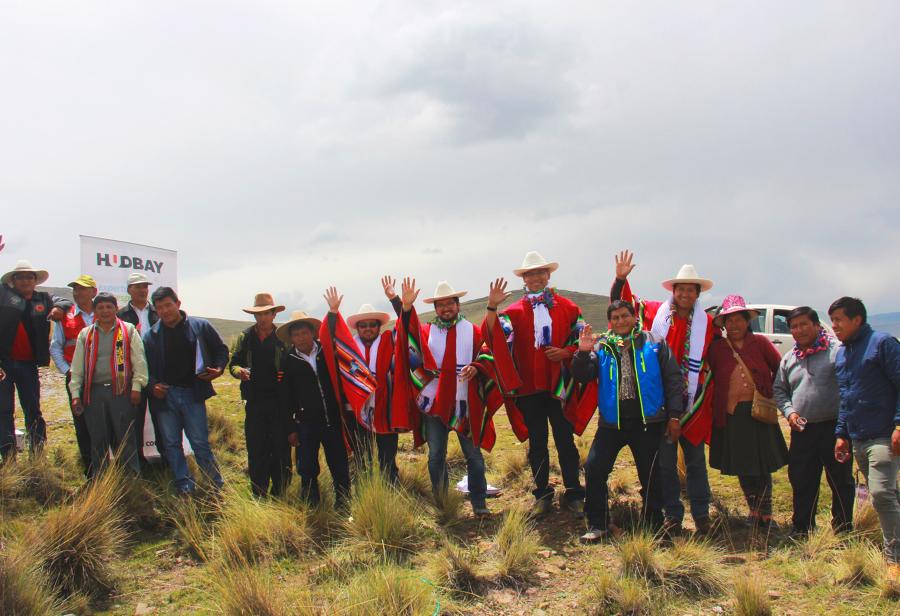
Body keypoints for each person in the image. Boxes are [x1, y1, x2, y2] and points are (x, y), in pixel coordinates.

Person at [610, 251, 716, 534]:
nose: (684, 294)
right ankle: (673, 515)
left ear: (696, 293)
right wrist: (620, 279)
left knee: (695, 461)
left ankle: (702, 514)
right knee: (666, 464)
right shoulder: (656, 313)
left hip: (692, 403)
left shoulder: (708, 325)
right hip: (660, 402)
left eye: (690, 290)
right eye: (680, 289)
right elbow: (625, 306)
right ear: (674, 291)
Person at [394, 278, 509, 516]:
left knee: (473, 455)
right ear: (435, 309)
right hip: (435, 403)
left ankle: (479, 501)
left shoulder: (472, 330)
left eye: (450, 304)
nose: (446, 308)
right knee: (436, 455)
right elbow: (408, 333)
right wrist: (404, 306)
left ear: (458, 305)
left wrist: (477, 366)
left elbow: (488, 352)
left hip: (464, 402)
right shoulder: (427, 331)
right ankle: (442, 501)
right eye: (441, 305)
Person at [484, 251, 585, 515]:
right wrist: (492, 308)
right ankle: (542, 494)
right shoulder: (513, 313)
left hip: (559, 387)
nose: (536, 277)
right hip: (529, 389)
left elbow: (582, 337)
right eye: (530, 274)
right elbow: (494, 337)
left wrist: (566, 352)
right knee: (537, 444)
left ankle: (574, 493)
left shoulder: (568, 307)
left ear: (548, 275)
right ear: (524, 279)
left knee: (565, 441)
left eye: (540, 272)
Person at [573, 300, 684, 541]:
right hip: (612, 424)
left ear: (635, 317)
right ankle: (598, 524)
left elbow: (674, 380)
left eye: (625, 316)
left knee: (651, 473)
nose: (621, 321)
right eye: (615, 318)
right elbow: (583, 375)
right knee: (594, 468)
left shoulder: (654, 343)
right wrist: (582, 353)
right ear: (610, 322)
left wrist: (674, 415)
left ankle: (653, 523)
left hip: (648, 421)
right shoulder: (602, 346)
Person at [830, 297, 900, 582]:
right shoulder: (843, 354)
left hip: (884, 434)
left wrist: (899, 423)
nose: (833, 326)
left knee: (882, 493)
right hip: (857, 436)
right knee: (884, 494)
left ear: (857, 319)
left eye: (838, 320)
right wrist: (841, 434)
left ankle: (893, 559)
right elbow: (845, 399)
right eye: (831, 320)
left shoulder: (883, 344)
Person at [707, 295, 788, 528]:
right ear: (722, 324)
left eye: (738, 319)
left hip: (758, 412)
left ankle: (767, 513)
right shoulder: (717, 349)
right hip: (733, 415)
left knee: (762, 464)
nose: (734, 325)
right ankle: (753, 510)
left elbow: (779, 369)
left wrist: (772, 393)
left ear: (746, 320)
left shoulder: (761, 343)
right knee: (745, 464)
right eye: (728, 321)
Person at [773, 306, 853, 536]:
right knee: (802, 479)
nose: (799, 330)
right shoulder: (790, 358)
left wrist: (844, 431)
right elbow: (779, 389)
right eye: (794, 326)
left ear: (817, 326)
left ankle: (843, 530)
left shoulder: (838, 352)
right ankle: (802, 528)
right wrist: (789, 412)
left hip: (835, 429)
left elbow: (849, 389)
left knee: (840, 481)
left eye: (804, 324)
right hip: (803, 430)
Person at [142, 286, 228, 495]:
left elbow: (221, 350)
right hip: (166, 397)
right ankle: (184, 483)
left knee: (199, 442)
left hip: (193, 393)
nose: (165, 311)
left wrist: (218, 369)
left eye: (168, 305)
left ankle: (214, 484)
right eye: (160, 307)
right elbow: (144, 368)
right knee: (171, 444)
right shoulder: (151, 336)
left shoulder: (200, 326)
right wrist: (153, 385)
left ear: (178, 304)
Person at [332, 276, 408, 483]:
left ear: (378, 326)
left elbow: (407, 326)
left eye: (371, 325)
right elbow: (330, 339)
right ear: (357, 328)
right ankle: (366, 496)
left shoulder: (389, 340)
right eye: (363, 325)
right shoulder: (350, 348)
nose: (367, 328)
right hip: (357, 411)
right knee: (361, 458)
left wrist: (395, 299)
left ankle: (390, 492)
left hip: (385, 409)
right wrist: (333, 313)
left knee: (387, 457)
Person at [278, 308, 351, 508]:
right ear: (291, 338)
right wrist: (291, 428)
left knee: (339, 465)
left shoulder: (327, 352)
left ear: (312, 333)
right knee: (307, 467)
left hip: (333, 420)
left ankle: (344, 503)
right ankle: (312, 506)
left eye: (304, 333)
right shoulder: (288, 362)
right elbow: (285, 399)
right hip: (306, 424)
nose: (301, 338)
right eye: (296, 334)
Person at [68, 293, 147, 476]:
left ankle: (131, 479)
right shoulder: (86, 335)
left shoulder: (128, 331)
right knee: (97, 437)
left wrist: (136, 387)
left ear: (116, 309)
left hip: (121, 390)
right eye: (100, 307)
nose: (105, 311)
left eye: (109, 307)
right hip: (92, 393)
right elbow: (77, 368)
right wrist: (75, 395)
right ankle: (101, 480)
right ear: (95, 311)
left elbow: (140, 362)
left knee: (125, 436)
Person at [0, 260, 70, 460]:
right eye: (20, 277)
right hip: (3, 365)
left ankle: (37, 454)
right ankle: (8, 456)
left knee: (33, 408)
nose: (25, 281)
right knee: (4, 410)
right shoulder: (4, 295)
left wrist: (59, 308)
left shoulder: (44, 298)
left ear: (35, 280)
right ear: (13, 280)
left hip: (28, 365)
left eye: (29, 277)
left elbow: (65, 301)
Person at [228, 293, 291, 497]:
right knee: (256, 447)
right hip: (254, 402)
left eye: (266, 313)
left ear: (273, 314)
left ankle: (281, 492)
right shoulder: (245, 337)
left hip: (280, 403)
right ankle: (258, 492)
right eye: (258, 314)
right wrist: (239, 372)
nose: (262, 318)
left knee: (280, 448)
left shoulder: (283, 338)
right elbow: (234, 363)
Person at [49, 274, 98, 476]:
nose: (78, 293)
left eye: (83, 289)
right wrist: (66, 371)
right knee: (82, 423)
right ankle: (91, 470)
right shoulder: (65, 316)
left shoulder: (105, 312)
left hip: (104, 379)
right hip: (76, 380)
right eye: (75, 289)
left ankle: (110, 466)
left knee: (105, 421)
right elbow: (56, 346)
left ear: (93, 292)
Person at [118, 272, 163, 465]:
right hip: (133, 375)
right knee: (134, 421)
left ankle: (166, 460)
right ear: (129, 290)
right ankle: (138, 463)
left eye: (145, 286)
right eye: (137, 287)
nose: (142, 290)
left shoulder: (158, 312)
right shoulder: (120, 315)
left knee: (161, 420)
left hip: (157, 373)